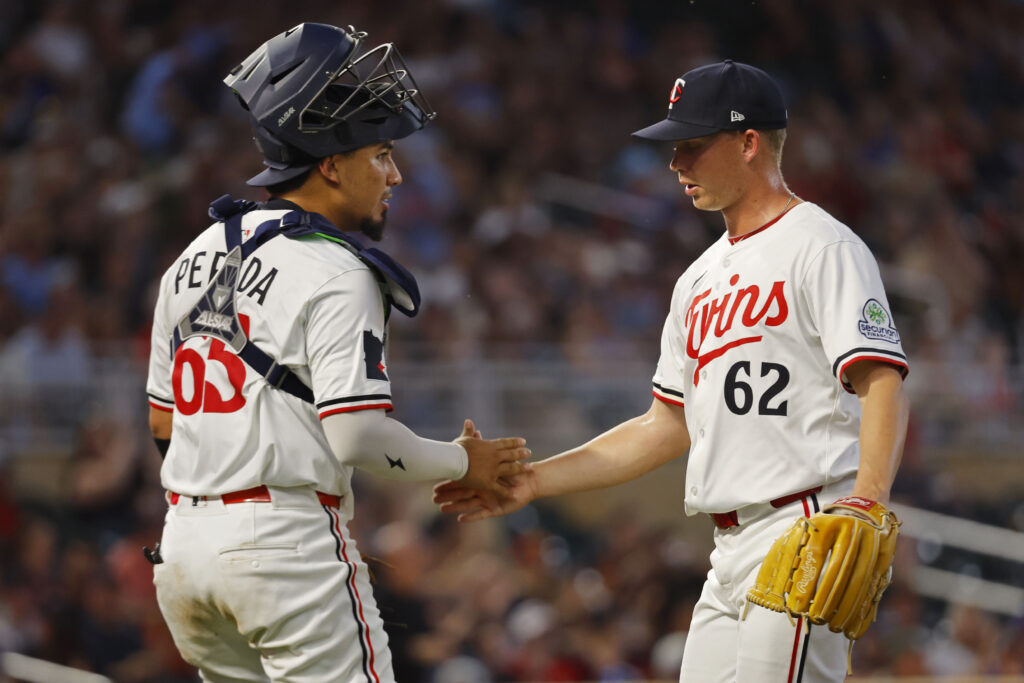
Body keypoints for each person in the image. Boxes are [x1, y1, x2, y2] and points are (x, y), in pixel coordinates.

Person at [434, 60, 910, 682]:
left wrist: (866, 500)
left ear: (748, 144)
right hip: (728, 549)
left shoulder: (823, 246)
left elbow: (882, 381)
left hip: (803, 527)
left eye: (692, 144)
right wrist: (533, 481)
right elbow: (664, 425)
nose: (675, 162)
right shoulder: (697, 280)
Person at [145, 23, 529, 683]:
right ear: (330, 163)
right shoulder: (337, 269)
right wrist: (464, 460)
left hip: (184, 548)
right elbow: (355, 436)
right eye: (381, 153)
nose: (396, 173)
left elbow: (163, 426)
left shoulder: (192, 257)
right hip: (283, 551)